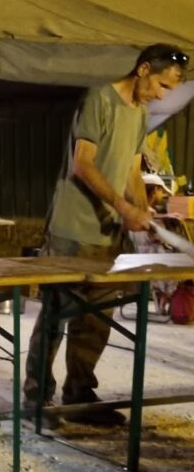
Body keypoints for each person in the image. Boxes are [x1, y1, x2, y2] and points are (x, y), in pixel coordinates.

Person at [23, 44, 187, 422]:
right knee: (55, 315)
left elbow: (130, 168)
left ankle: (79, 396)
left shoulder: (139, 111)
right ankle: (36, 399)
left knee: (96, 318)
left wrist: (141, 209)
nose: (162, 95)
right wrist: (123, 205)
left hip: (109, 232)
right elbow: (83, 165)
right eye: (160, 85)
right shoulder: (99, 98)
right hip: (71, 228)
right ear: (144, 69)